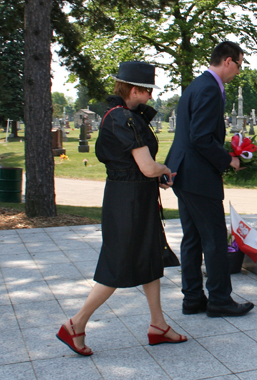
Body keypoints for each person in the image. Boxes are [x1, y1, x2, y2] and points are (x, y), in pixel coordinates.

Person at [56, 61, 186, 356]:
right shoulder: (123, 119)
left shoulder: (122, 116)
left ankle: (158, 325)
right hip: (128, 202)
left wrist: (155, 175)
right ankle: (75, 324)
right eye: (148, 90)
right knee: (118, 265)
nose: (152, 96)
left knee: (150, 257)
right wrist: (163, 169)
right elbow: (147, 166)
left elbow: (140, 169)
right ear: (135, 89)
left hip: (134, 196)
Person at [165, 41, 253, 317]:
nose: (239, 71)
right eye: (239, 65)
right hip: (198, 176)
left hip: (185, 173)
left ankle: (192, 297)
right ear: (227, 61)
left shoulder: (196, 85)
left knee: (192, 237)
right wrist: (229, 159)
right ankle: (219, 299)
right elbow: (201, 138)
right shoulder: (209, 88)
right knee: (214, 237)